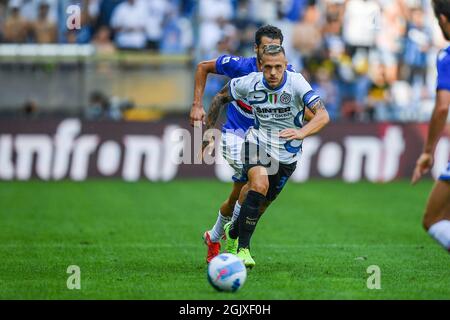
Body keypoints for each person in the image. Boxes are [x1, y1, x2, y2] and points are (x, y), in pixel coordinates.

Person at [204, 44, 330, 267]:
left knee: (260, 204)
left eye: (278, 67)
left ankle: (232, 231)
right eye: (268, 67)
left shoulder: (296, 82)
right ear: (260, 66)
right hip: (256, 142)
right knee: (258, 184)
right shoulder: (248, 82)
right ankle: (243, 249)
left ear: (285, 66)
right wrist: (207, 133)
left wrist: (301, 132)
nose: (273, 72)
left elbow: (322, 115)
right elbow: (220, 97)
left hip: (287, 156)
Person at [190, 25, 300, 263]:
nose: (269, 55)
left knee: (238, 196)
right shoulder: (240, 67)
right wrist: (198, 106)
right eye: (265, 48)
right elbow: (203, 68)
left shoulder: (286, 75)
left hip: (265, 142)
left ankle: (214, 234)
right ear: (256, 49)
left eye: (275, 48)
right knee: (255, 183)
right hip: (236, 135)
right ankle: (235, 240)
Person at [412, 0, 450, 253]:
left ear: (444, 20)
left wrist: (427, 151)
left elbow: (442, 108)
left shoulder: (447, 56)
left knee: (433, 219)